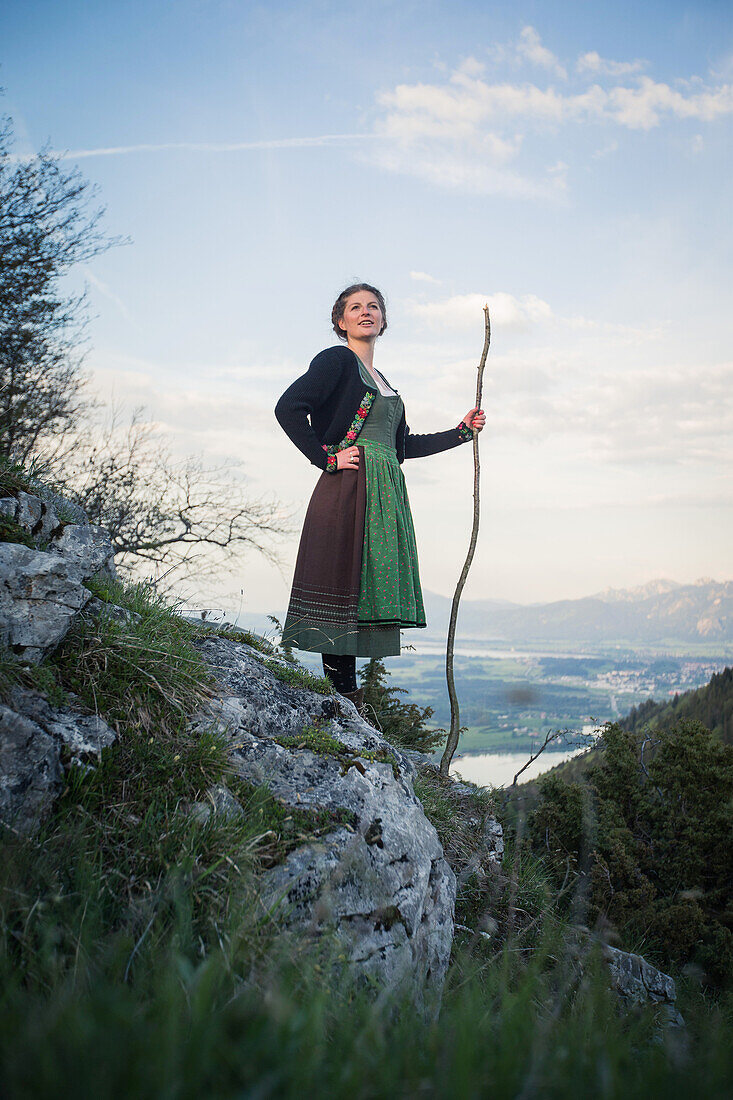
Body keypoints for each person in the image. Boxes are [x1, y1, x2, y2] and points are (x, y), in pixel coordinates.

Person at [274, 282, 485, 709]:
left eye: (374, 307)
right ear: (341, 321)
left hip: (384, 492)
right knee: (342, 585)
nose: (365, 312)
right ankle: (346, 700)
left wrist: (461, 433)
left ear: (384, 320)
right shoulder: (336, 361)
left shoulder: (384, 382)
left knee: (362, 590)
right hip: (348, 488)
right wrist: (326, 459)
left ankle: (346, 702)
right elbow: (288, 406)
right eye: (355, 307)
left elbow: (402, 447)